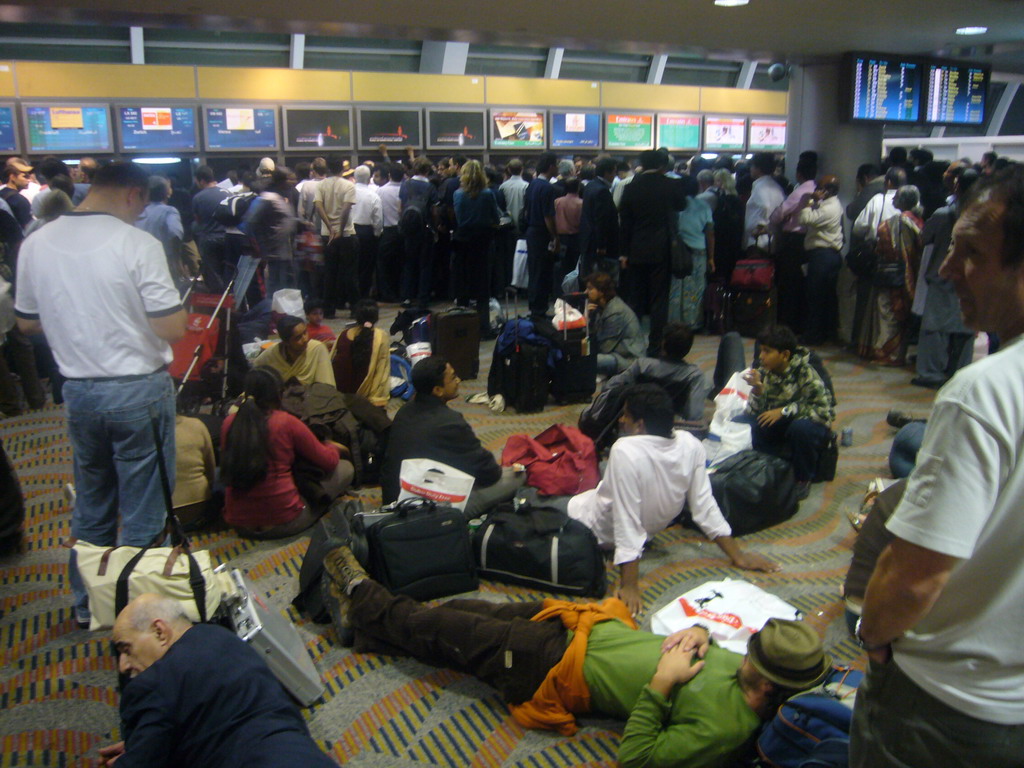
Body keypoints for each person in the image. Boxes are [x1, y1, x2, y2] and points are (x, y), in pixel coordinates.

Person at [323, 545, 825, 768]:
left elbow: (638, 759)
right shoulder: (740, 673)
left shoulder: (724, 730)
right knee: (463, 612)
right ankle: (367, 632)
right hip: (578, 623)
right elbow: (713, 649)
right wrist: (699, 630)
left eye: (750, 656)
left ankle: (360, 593)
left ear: (764, 683)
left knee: (445, 629)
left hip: (551, 668)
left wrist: (661, 686)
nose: (743, 652)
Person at [850, 165, 1024, 768]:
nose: (948, 271)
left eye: (971, 253)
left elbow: (914, 577)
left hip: (943, 710)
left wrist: (870, 639)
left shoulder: (986, 392)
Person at [14, 161, 187, 627]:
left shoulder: (37, 241)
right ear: (133, 194)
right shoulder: (136, 244)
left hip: (79, 392)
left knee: (92, 506)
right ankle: (137, 615)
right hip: (138, 389)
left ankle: (87, 606)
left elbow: (26, 322)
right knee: (145, 512)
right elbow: (172, 327)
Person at [567, 384, 777, 615]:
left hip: (594, 526)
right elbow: (704, 506)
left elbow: (626, 520)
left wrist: (630, 585)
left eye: (626, 414)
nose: (621, 420)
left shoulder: (624, 450)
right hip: (645, 530)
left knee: (535, 501)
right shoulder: (691, 444)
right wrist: (738, 556)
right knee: (602, 474)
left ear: (640, 425)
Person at [99, 593, 337, 768]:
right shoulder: (224, 637)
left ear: (160, 632)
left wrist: (137, 750)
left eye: (126, 649)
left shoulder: (151, 684)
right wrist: (149, 742)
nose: (124, 665)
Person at [381, 356, 522, 518]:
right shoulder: (450, 422)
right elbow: (490, 472)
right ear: (437, 390)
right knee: (518, 476)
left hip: (394, 498)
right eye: (453, 377)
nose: (459, 380)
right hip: (425, 510)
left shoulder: (404, 411)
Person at [221, 367, 353, 538]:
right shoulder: (285, 422)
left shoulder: (228, 423)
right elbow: (328, 461)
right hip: (284, 522)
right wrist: (333, 446)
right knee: (346, 468)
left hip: (240, 524)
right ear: (278, 394)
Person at [743, 325, 835, 500]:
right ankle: (769, 469)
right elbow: (752, 412)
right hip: (786, 424)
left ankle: (803, 478)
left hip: (811, 424)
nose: (761, 357)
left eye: (767, 351)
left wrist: (784, 411)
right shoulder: (764, 372)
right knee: (755, 422)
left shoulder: (805, 371)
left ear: (785, 355)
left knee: (800, 428)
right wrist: (757, 389)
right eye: (761, 350)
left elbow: (824, 411)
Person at [619, 149, 687, 355]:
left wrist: (623, 253)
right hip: (662, 250)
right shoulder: (670, 185)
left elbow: (625, 224)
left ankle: (632, 343)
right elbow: (682, 205)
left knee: (635, 298)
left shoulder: (631, 187)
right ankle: (655, 345)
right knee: (659, 300)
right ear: (662, 165)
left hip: (636, 249)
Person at [857, 185, 924, 366]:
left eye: (896, 198)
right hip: (911, 275)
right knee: (901, 315)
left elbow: (884, 246)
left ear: (902, 201)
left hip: (891, 275)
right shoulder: (918, 221)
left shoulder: (896, 222)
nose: (893, 200)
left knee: (888, 314)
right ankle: (897, 354)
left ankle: (887, 355)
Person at [603, 323, 712, 422]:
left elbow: (611, 385)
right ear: (688, 348)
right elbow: (694, 415)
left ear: (663, 343)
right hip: (672, 427)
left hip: (637, 422)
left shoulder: (642, 365)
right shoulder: (694, 376)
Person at [453, 159, 501, 336]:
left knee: (462, 285)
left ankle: (462, 328)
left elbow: (459, 220)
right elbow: (496, 219)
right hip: (483, 243)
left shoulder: (458, 194)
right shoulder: (488, 194)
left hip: (463, 243)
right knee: (483, 288)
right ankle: (484, 328)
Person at [797, 174, 844, 345]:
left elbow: (803, 218)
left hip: (822, 256)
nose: (815, 190)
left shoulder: (828, 208)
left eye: (819, 187)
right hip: (828, 256)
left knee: (815, 297)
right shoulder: (831, 205)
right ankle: (826, 333)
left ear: (827, 191)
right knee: (826, 297)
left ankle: (813, 335)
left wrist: (810, 201)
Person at [314, 156, 358, 318]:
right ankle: (354, 308)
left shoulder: (321, 185)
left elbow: (318, 206)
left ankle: (329, 310)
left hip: (327, 234)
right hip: (346, 233)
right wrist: (339, 228)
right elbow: (346, 209)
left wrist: (330, 228)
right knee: (349, 273)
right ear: (343, 169)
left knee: (330, 273)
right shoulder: (348, 185)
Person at [248, 167, 299, 298]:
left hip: (283, 250)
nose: (291, 182)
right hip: (274, 250)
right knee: (276, 285)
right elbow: (251, 221)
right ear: (281, 181)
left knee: (283, 284)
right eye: (288, 179)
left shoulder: (280, 196)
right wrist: (261, 243)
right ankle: (273, 312)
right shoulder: (267, 198)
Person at [331, 298, 390, 407]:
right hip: (363, 395)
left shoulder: (343, 334)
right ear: (376, 318)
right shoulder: (381, 336)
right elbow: (382, 371)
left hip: (339, 391)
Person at [586, 271, 646, 377]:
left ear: (601, 292)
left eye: (590, 289)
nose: (586, 292)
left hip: (628, 360)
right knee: (583, 358)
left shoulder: (615, 312)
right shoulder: (602, 308)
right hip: (618, 355)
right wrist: (588, 319)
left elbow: (605, 347)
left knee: (586, 362)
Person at [523, 152, 560, 317]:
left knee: (534, 270)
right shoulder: (547, 188)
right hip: (541, 232)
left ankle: (534, 305)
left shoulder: (532, 184)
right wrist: (555, 236)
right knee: (543, 272)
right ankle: (540, 308)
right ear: (551, 166)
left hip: (531, 231)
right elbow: (548, 216)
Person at [675, 179, 715, 330]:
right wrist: (711, 258)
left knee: (676, 288)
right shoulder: (704, 206)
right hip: (699, 251)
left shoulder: (675, 207)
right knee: (696, 288)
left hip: (678, 252)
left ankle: (675, 321)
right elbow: (710, 232)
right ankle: (693, 322)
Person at [254, 314, 336, 388]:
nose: (305, 339)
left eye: (305, 333)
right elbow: (255, 372)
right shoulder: (272, 354)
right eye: (298, 338)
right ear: (286, 342)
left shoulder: (317, 349)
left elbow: (326, 386)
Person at [135, 175, 185, 282]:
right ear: (166, 193)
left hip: (139, 260)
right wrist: (177, 261)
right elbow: (175, 233)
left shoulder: (138, 212)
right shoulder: (169, 211)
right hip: (163, 260)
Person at [579, 156, 619, 277]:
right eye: (614, 172)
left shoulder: (590, 185)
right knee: (600, 278)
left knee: (589, 276)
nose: (615, 176)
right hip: (597, 244)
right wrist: (602, 245)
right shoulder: (602, 191)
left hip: (588, 240)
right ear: (607, 172)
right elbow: (601, 219)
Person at [191, 165, 229, 292]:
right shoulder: (228, 192)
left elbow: (198, 221)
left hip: (209, 239)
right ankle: (231, 302)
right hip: (228, 238)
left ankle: (218, 304)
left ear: (201, 181)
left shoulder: (198, 197)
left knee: (213, 275)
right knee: (229, 272)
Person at [743, 153, 785, 256]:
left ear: (759, 169)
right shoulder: (777, 188)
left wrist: (759, 227)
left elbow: (763, 208)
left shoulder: (759, 188)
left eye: (752, 166)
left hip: (757, 242)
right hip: (773, 240)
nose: (751, 169)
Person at [351, 164, 382, 300]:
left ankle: (348, 297)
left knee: (349, 266)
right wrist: (376, 233)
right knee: (366, 267)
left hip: (349, 230)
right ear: (369, 178)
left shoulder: (347, 192)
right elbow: (378, 218)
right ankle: (363, 297)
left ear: (354, 177)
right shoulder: (373, 195)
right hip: (366, 232)